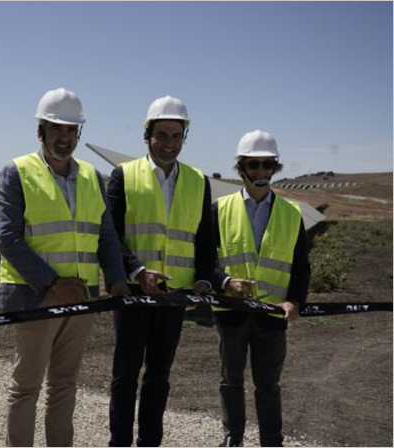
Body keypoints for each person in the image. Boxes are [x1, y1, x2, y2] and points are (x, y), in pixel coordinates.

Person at [0, 87, 130, 446]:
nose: (64, 137)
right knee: (26, 388)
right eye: (56, 128)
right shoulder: (17, 172)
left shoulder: (91, 176)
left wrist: (116, 278)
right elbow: (6, 238)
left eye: (71, 130)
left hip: (81, 299)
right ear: (41, 130)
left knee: (65, 385)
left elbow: (105, 235)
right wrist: (53, 283)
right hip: (34, 299)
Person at [106, 95, 217, 446]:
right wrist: (136, 271)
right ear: (147, 136)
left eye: (176, 136)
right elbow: (110, 236)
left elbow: (204, 239)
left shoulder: (199, 182)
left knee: (159, 376)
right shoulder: (124, 175)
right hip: (135, 294)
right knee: (125, 375)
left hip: (175, 296)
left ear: (185, 138)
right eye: (162, 135)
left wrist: (203, 277)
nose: (169, 144)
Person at [212, 130, 310, 447]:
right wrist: (225, 283)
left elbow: (300, 267)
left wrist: (295, 301)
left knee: (268, 385)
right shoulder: (219, 210)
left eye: (267, 165)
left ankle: (272, 442)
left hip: (272, 315)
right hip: (231, 312)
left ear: (274, 168)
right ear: (241, 168)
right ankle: (233, 438)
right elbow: (205, 261)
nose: (261, 172)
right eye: (253, 165)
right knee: (231, 381)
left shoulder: (291, 214)